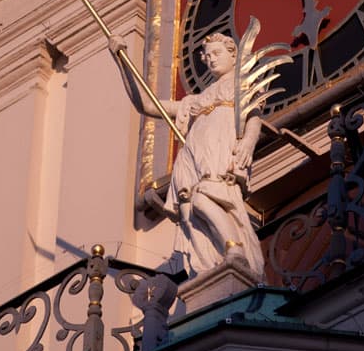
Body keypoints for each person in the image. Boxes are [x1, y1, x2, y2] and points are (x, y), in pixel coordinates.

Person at [109, 22, 286, 277]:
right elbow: (147, 105)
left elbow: (253, 116)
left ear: (233, 54)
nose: (211, 60)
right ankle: (211, 268)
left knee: (205, 197)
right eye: (208, 56)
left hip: (220, 152)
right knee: (190, 210)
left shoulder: (239, 87)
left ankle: (234, 249)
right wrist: (121, 61)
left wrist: (248, 142)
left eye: (217, 54)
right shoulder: (194, 101)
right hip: (192, 159)